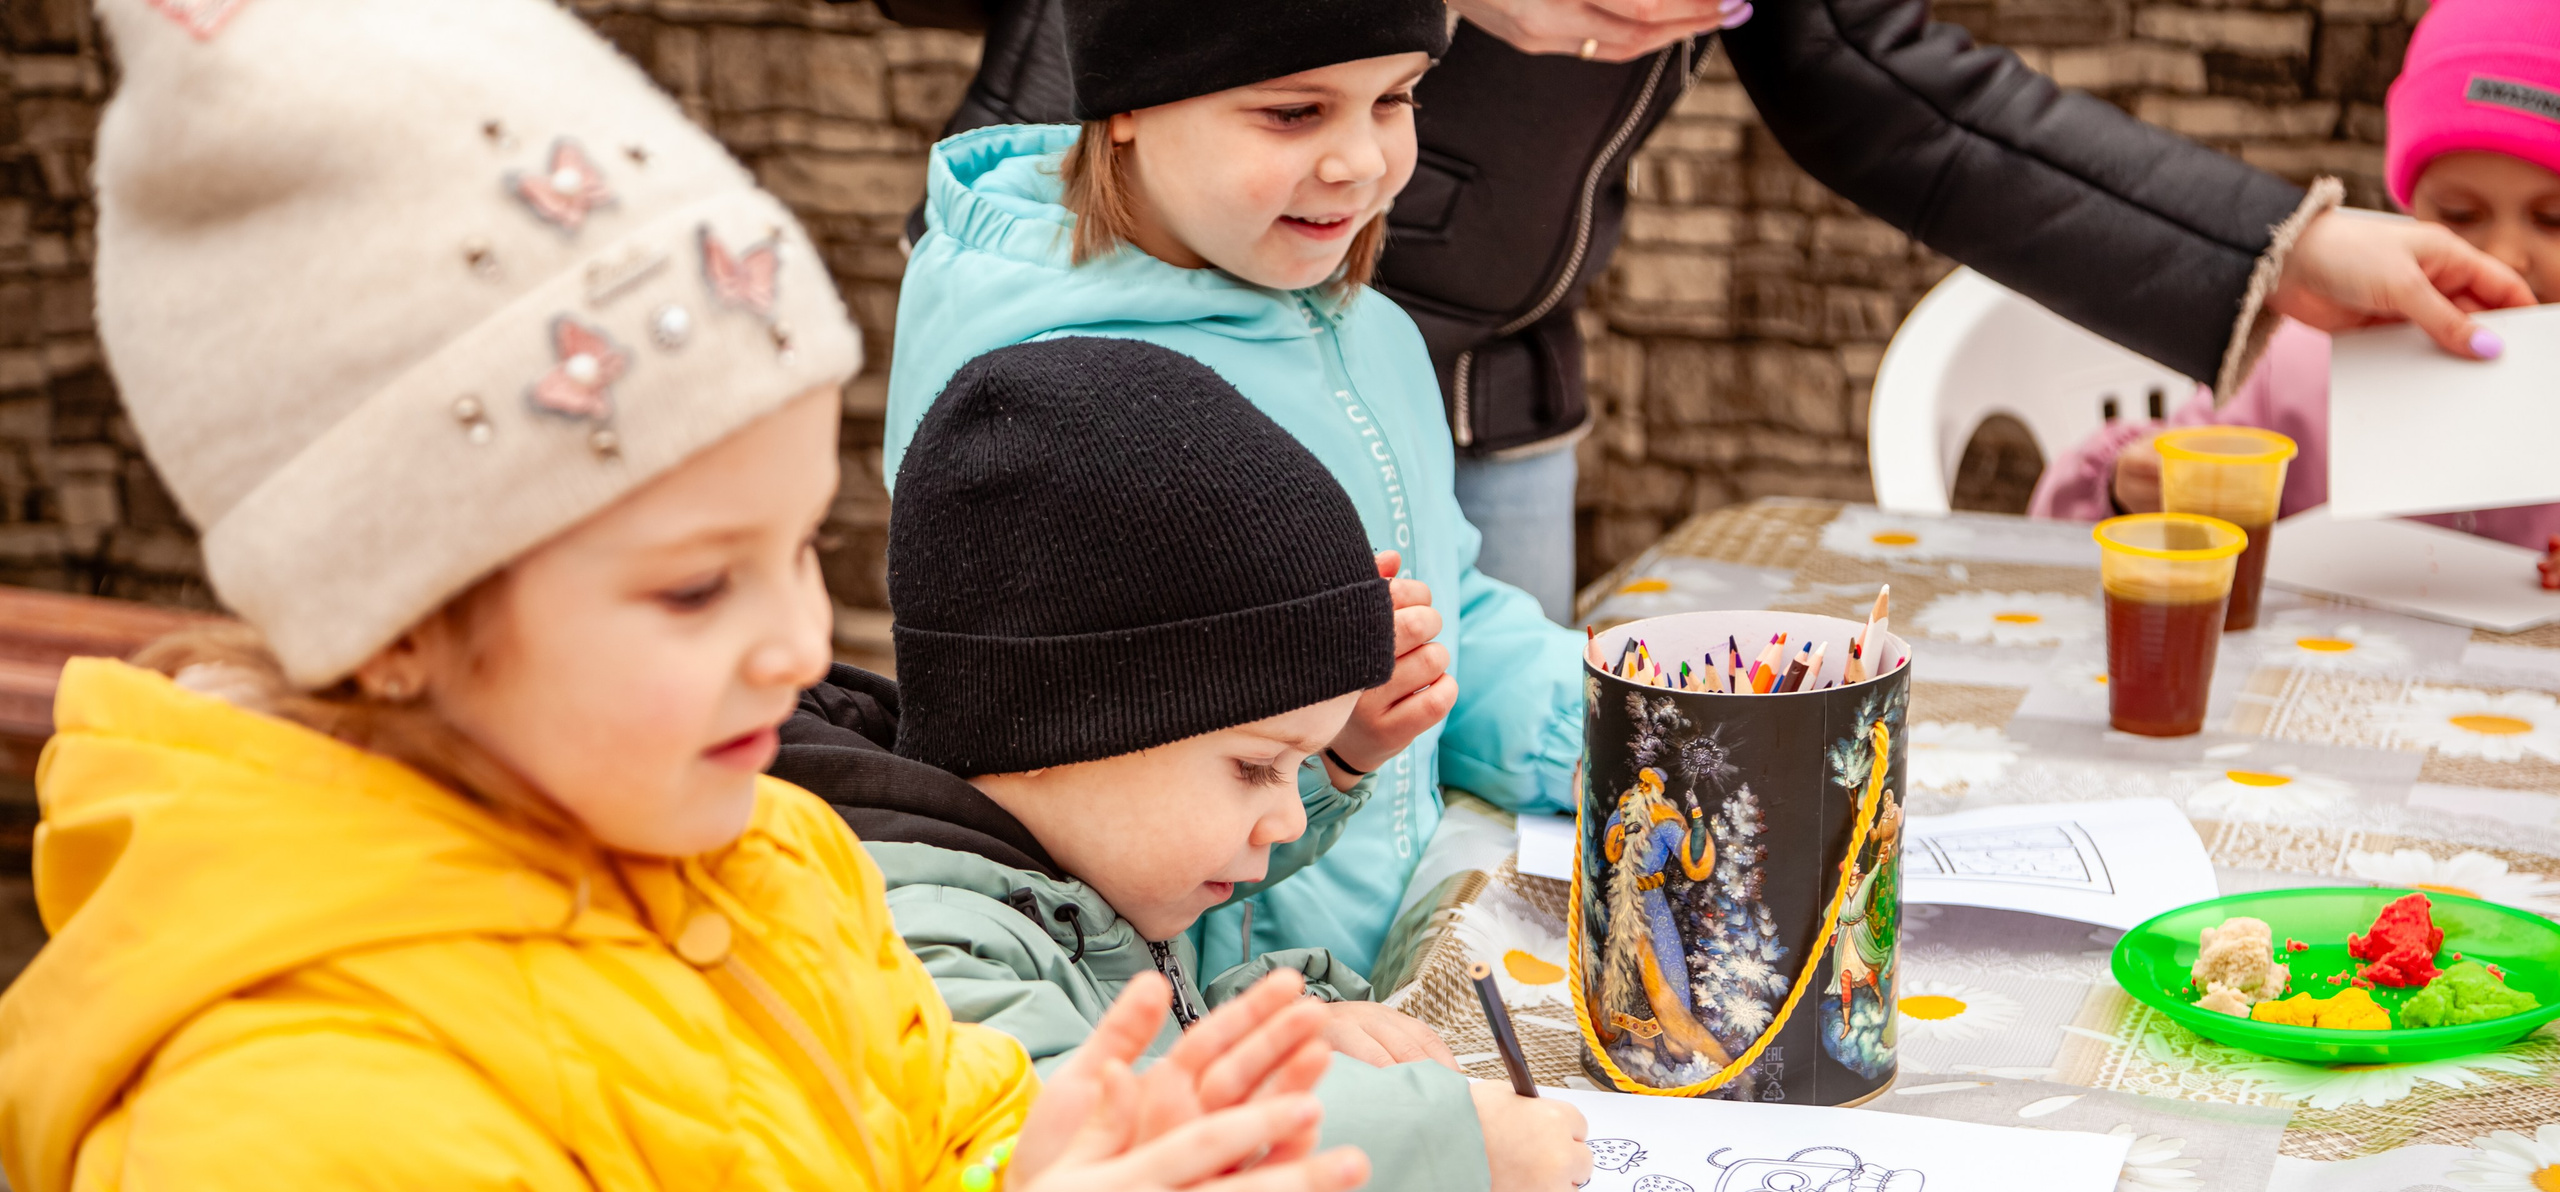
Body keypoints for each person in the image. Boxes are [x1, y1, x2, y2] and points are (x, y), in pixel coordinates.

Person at [2, 2, 1383, 1192]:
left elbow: (920, 1135)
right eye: (692, 585)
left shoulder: (767, 862)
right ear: (398, 623)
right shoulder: (305, 1084)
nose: (799, 643)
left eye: (800, 549)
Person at [877, 0, 2535, 623]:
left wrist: (2280, 249)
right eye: (1316, 106)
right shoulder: (1064, 349)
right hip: (1140, 311)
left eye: (1391, 96)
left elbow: (1880, 75)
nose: (1362, 149)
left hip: (1479, 375)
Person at [775, 337, 1592, 1192]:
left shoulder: (1053, 866)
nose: (1290, 820)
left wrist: (1251, 1045)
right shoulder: (917, 944)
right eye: (1255, 766)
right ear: (1062, 721)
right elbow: (1093, 1171)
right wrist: (1452, 1163)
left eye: (1300, 766)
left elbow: (1124, 1028)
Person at [886, 0, 1579, 994]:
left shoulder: (1368, 331)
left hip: (1373, 978)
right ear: (1129, 100)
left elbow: (1445, 613)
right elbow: (1060, 791)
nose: (1361, 161)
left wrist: (1619, 738)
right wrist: (1331, 758)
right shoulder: (1052, 404)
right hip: (1203, 1019)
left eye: (1394, 99)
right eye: (1294, 111)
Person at [2031, 0, 2560, 552]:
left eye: (2554, 219)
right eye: (2459, 214)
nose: (2506, 256)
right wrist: (2124, 489)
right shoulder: (2301, 355)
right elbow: (2056, 540)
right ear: (2409, 208)